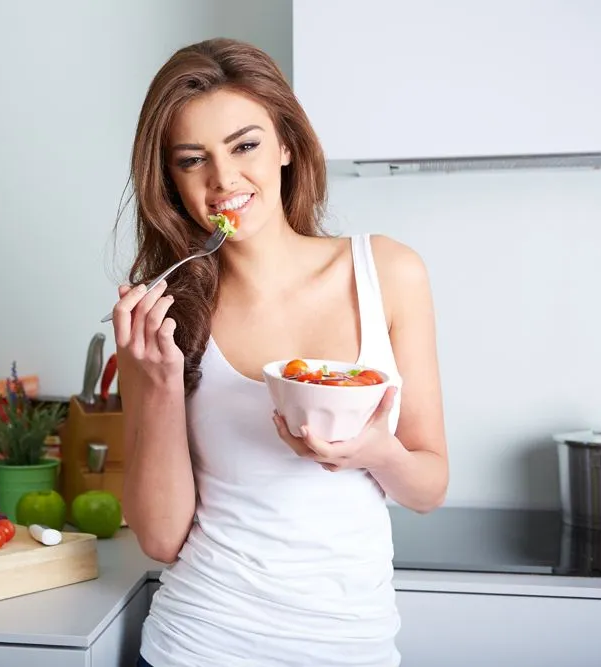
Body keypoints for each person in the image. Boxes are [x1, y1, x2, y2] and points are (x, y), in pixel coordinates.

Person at [108, 38, 449, 667]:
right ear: (170, 181)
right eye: (192, 160)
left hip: (352, 646)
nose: (223, 179)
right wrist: (155, 383)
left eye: (245, 145)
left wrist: (373, 453)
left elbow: (429, 487)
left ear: (286, 145)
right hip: (198, 642)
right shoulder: (163, 317)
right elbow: (160, 539)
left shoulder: (389, 273)